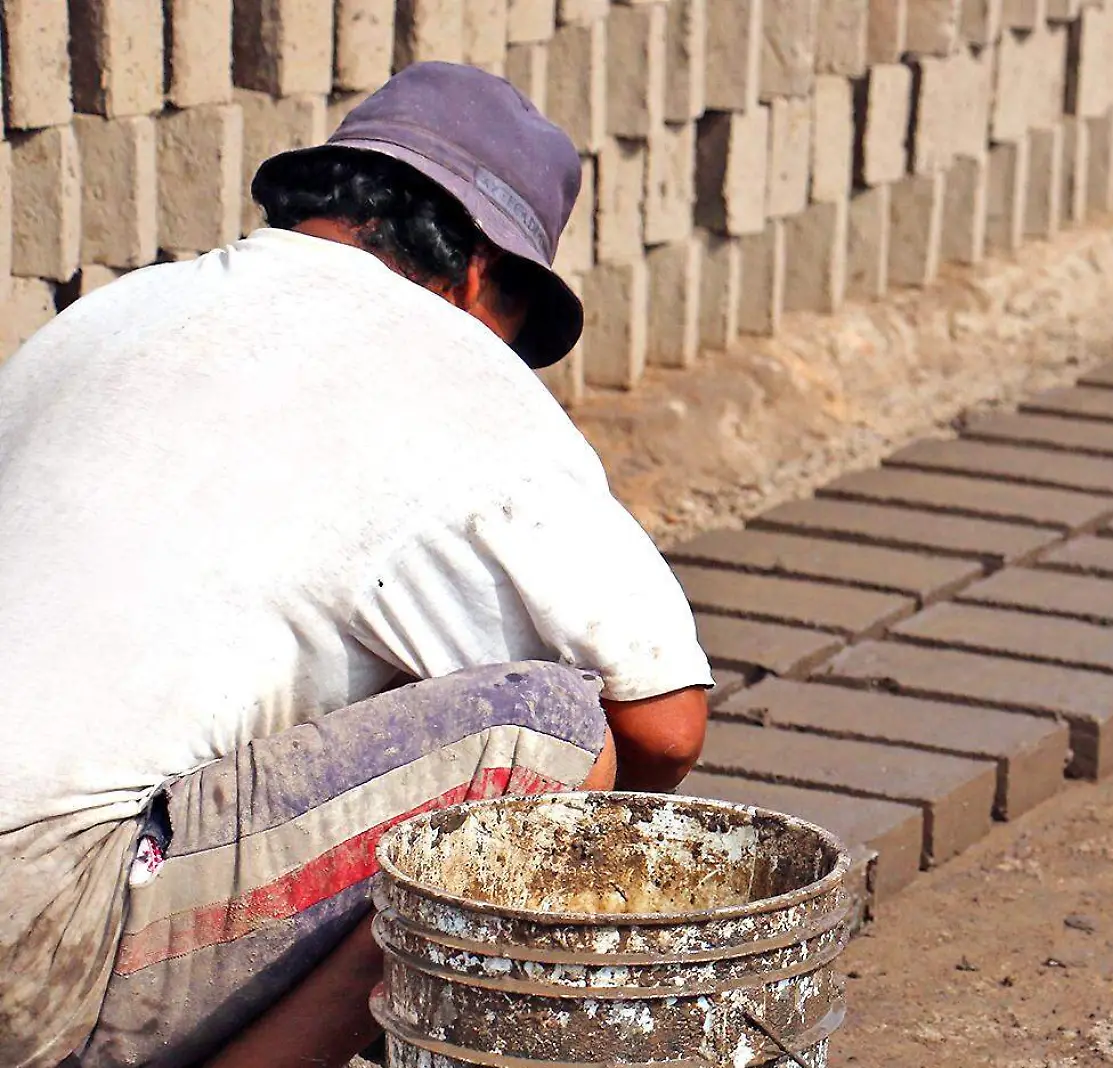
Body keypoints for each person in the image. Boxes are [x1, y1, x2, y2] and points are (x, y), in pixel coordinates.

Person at [0, 63, 714, 1068]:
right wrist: (575, 905)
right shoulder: (456, 364)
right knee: (550, 735)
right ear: (477, 278)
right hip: (37, 935)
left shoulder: (107, 319)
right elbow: (665, 724)